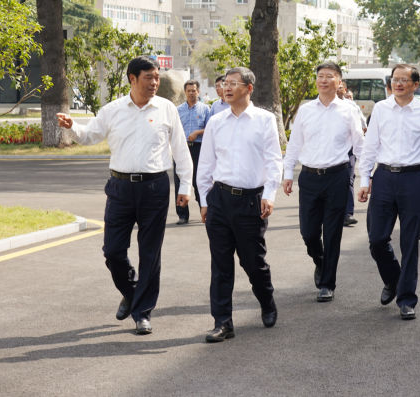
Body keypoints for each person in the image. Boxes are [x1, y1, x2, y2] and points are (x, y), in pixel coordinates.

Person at [56, 56, 192, 336]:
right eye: (148, 77)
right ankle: (131, 292)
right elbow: (90, 136)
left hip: (154, 187)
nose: (154, 83)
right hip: (120, 188)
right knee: (113, 251)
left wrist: (185, 187)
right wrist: (72, 127)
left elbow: (180, 149)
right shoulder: (113, 110)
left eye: (157, 77)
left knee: (150, 253)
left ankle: (142, 313)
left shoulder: (166, 109)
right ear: (132, 78)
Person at [197, 67, 282, 343]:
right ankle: (223, 322)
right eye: (225, 83)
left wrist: (270, 194)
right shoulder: (216, 122)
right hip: (219, 199)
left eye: (234, 83)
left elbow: (273, 160)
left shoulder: (264, 120)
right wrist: (204, 199)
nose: (227, 87)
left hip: (250, 201)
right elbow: (206, 163)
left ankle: (267, 300)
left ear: (249, 88)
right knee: (221, 265)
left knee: (253, 262)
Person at [358, 64, 420, 320]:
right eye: (395, 79)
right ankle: (393, 279)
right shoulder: (381, 108)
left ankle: (407, 299)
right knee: (377, 239)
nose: (398, 84)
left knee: (409, 242)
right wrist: (365, 179)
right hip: (384, 177)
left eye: (404, 80)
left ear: (415, 85)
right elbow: (370, 146)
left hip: (415, 179)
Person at [283, 62, 365, 302]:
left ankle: (327, 283)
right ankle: (320, 261)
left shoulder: (348, 110)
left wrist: (366, 178)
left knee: (332, 233)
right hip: (309, 177)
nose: (324, 80)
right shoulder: (306, 110)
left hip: (337, 177)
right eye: (320, 76)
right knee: (308, 233)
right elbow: (294, 143)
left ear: (339, 81)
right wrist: (287, 173)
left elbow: (360, 146)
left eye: (329, 76)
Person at [175, 80, 212, 224]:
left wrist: (197, 132)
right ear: (185, 92)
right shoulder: (178, 110)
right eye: (189, 90)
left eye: (194, 90)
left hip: (198, 148)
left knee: (199, 180)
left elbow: (210, 129)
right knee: (180, 181)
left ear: (198, 91)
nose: (191, 93)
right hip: (182, 148)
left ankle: (205, 210)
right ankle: (182, 215)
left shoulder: (205, 109)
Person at [337, 82, 366, 227]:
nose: (338, 90)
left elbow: (363, 126)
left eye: (340, 87)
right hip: (329, 155)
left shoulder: (351, 107)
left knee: (348, 179)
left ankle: (348, 213)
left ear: (344, 89)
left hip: (349, 151)